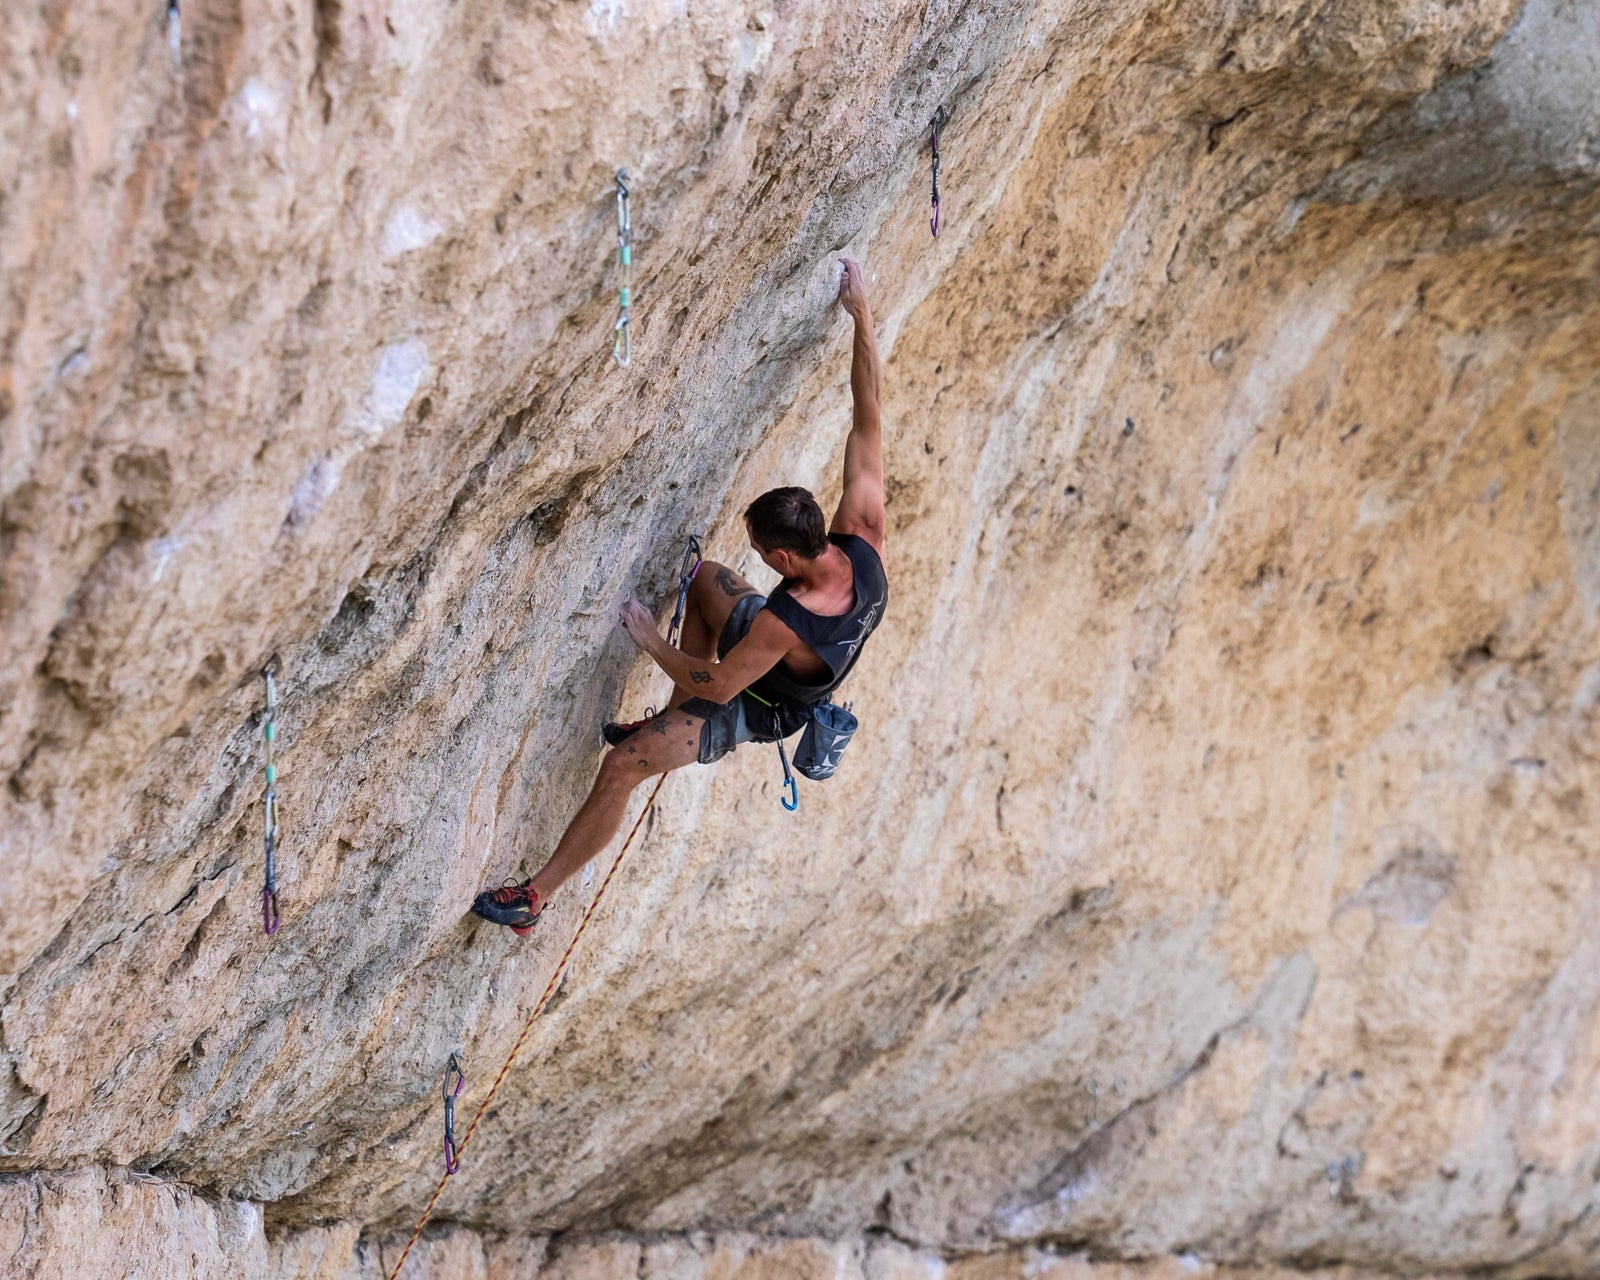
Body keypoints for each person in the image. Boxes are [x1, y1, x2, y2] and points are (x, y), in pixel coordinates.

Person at [471, 258, 889, 935]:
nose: (755, 556)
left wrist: (649, 641)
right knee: (704, 580)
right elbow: (868, 419)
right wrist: (861, 316)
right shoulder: (862, 539)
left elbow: (719, 685)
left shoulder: (785, 621)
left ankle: (533, 900)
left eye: (760, 550)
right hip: (778, 659)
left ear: (784, 557)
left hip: (762, 702)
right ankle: (661, 716)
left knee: (624, 765)